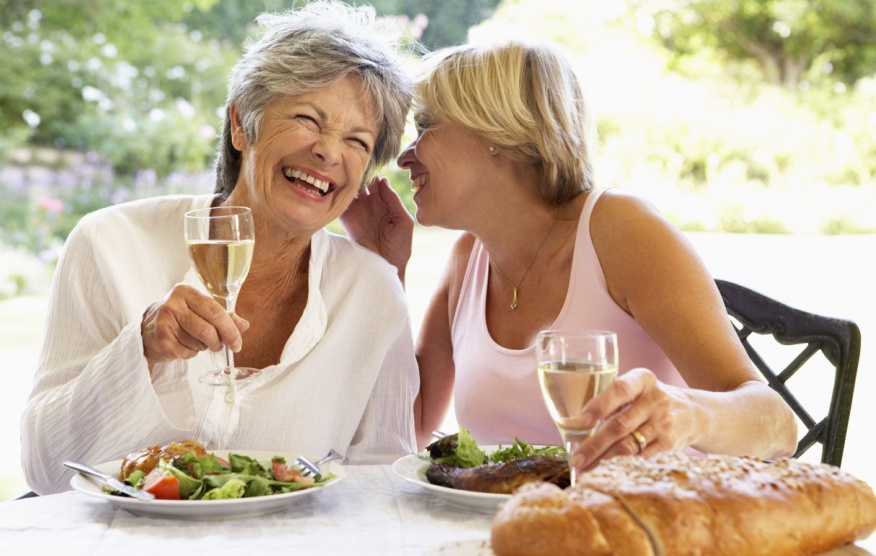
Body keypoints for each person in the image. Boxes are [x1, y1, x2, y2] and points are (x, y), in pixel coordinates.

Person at [340, 39, 798, 471]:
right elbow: (412, 426)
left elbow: (776, 423)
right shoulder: (468, 258)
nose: (405, 157)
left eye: (426, 127)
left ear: (496, 132)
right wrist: (382, 270)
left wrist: (689, 412)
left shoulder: (619, 231)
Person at [21, 0, 417, 495]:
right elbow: (43, 469)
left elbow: (383, 483)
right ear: (240, 125)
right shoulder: (109, 243)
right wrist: (139, 350)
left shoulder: (373, 293)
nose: (329, 151)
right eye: (309, 119)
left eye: (358, 141)